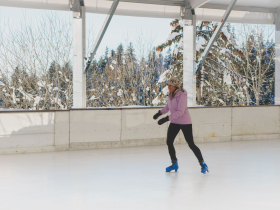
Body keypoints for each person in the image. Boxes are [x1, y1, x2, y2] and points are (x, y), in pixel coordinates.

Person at [153, 77, 209, 174]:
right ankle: (174, 163)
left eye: (170, 85)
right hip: (174, 122)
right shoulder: (170, 94)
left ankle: (203, 164)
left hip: (185, 122)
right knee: (169, 142)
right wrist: (159, 113)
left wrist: (166, 119)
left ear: (175, 86)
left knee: (191, 144)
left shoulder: (182, 95)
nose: (168, 87)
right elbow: (167, 107)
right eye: (167, 85)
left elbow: (181, 111)